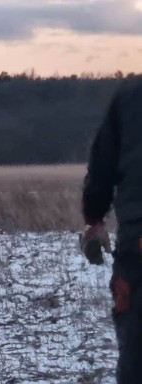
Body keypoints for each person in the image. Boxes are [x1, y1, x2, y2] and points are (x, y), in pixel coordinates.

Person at [81, 77, 142, 383]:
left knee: (136, 343)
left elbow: (102, 164)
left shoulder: (130, 96)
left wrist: (94, 217)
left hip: (139, 237)